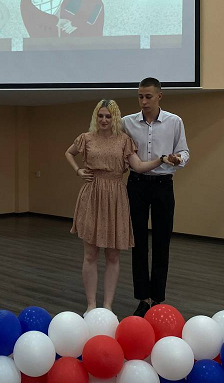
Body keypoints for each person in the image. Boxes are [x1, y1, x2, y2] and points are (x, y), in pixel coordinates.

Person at [65, 99, 177, 315]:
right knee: (90, 255)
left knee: (113, 256)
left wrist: (161, 159)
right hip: (92, 195)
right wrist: (78, 171)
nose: (104, 120)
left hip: (116, 196)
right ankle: (91, 305)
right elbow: (69, 153)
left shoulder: (124, 140)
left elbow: (139, 166)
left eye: (108, 116)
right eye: (100, 116)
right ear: (95, 117)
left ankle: (107, 306)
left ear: (115, 118)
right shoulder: (86, 138)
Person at [122, 77, 189, 317]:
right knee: (138, 242)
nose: (143, 101)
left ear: (159, 96)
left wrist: (178, 159)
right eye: (140, 96)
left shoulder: (174, 121)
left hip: (163, 184)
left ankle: (158, 298)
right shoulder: (126, 122)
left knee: (162, 241)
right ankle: (143, 298)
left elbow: (184, 151)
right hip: (137, 185)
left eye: (148, 96)